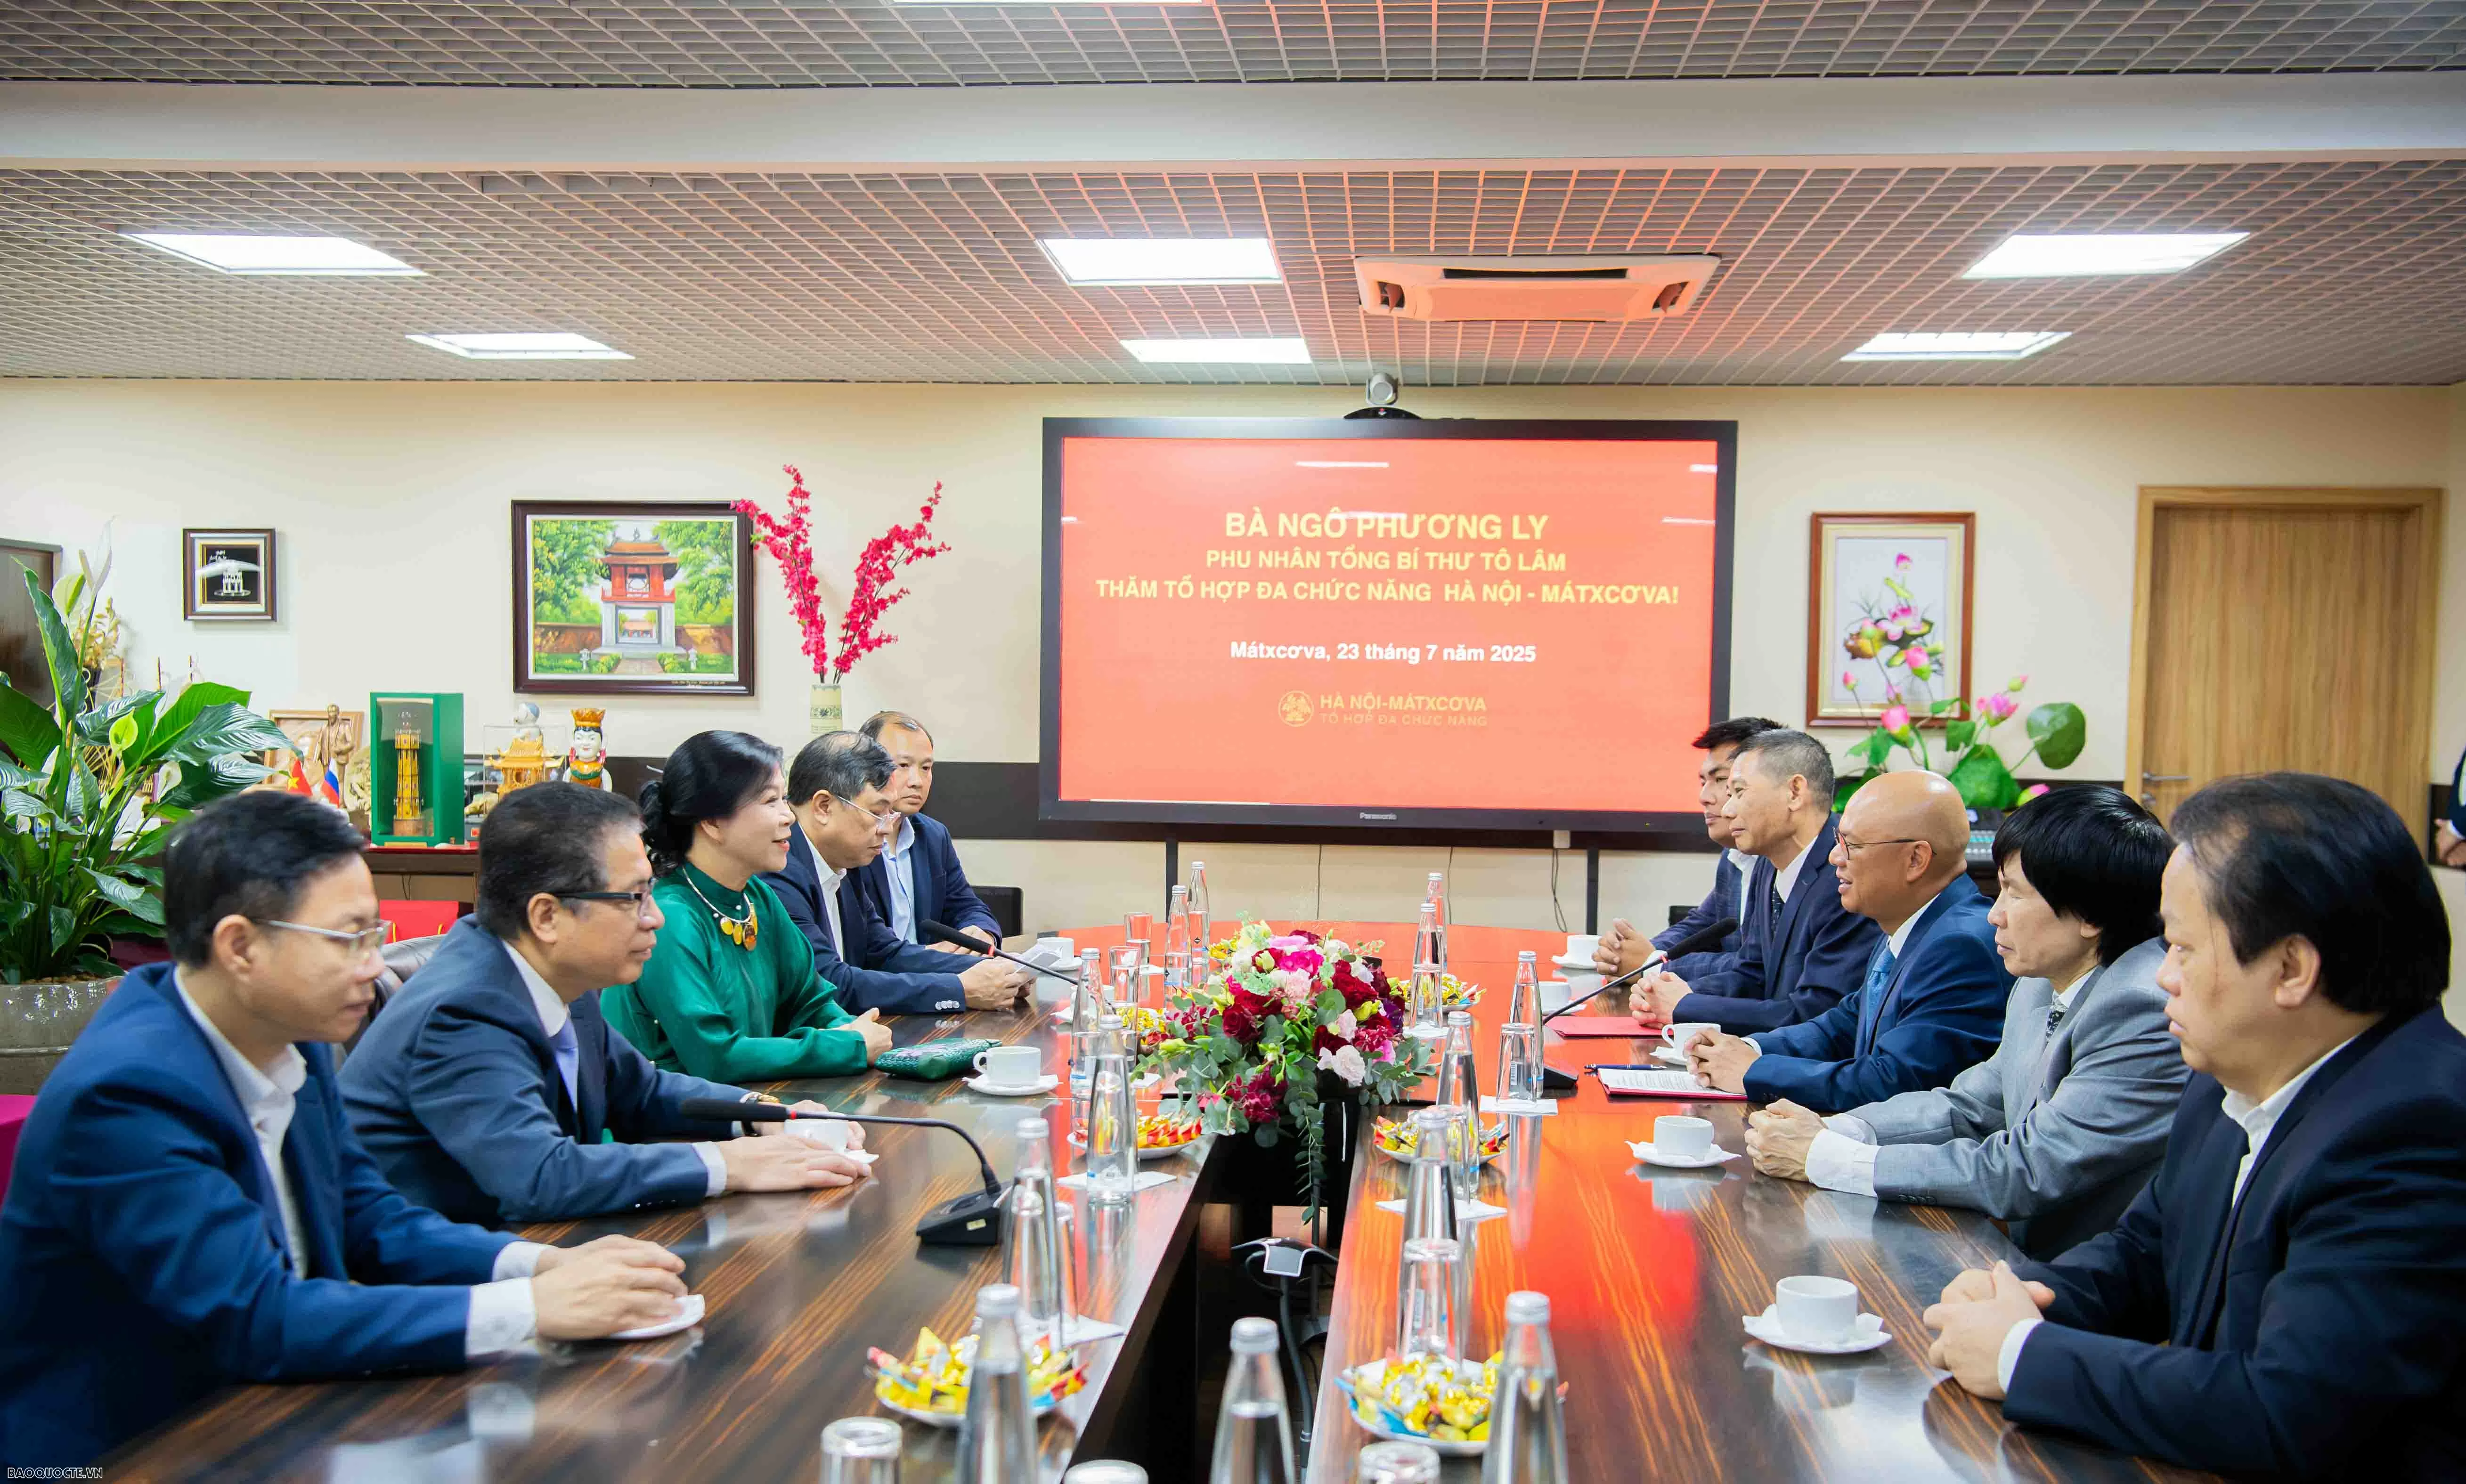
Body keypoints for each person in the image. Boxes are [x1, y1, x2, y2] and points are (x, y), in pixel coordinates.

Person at [0, 792, 692, 1467]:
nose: (373, 965)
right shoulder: (129, 1094)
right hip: (128, 1446)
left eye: (376, 936)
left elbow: (370, 1217)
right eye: (348, 939)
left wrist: (541, 1262)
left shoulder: (290, 1034)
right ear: (240, 946)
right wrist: (529, 1305)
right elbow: (259, 1316)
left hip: (277, 1409)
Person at [1923, 773, 2466, 1479]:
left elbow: (2285, 1410)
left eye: (2180, 947)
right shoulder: (2226, 1077)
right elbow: (2144, 1251)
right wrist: (2025, 1297)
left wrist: (2020, 1354)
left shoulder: (2412, 1128)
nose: (2159, 978)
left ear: (2290, 966)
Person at [341, 783, 871, 1226]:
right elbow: (541, 1176)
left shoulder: (556, 974)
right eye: (633, 897)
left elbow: (642, 1092)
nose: (655, 917)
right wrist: (729, 1164)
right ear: (547, 916)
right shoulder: (465, 1011)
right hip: (442, 1283)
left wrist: (763, 1116)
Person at [1745, 785, 2186, 1257]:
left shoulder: (2140, 1007)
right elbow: (1968, 1107)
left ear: (2091, 914)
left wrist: (1829, 1158)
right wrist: (1837, 1130)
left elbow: (2025, 1169)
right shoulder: (2040, 980)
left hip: (2092, 1283)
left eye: (2014, 895)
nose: (1993, 914)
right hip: (2022, 1258)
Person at [1686, 770, 2008, 1111]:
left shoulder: (1960, 945)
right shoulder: (1912, 923)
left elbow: (1894, 1081)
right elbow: (1840, 1026)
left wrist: (1754, 1071)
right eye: (1838, 841)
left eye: (1851, 845)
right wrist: (1749, 1048)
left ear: (1915, 859)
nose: (1834, 857)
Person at [600, 731, 896, 1081]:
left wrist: (853, 1028)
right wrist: (847, 1045)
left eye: (785, 800)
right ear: (711, 821)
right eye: (771, 801)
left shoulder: (755, 896)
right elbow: (717, 1057)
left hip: (747, 1109)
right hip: (667, 1128)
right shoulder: (671, 917)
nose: (788, 816)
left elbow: (810, 1002)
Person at [1629, 729, 1880, 1034]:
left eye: (1739, 791)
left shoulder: (1846, 871)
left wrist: (1686, 1006)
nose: (1727, 808)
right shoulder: (1767, 863)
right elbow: (1752, 974)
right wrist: (1670, 993)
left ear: (1794, 792)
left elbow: (1815, 1013)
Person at [764, 730, 1030, 1017]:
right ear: (824, 807)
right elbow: (830, 982)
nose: (887, 828)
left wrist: (999, 971)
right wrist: (959, 989)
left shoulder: (845, 860)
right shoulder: (779, 871)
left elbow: (885, 953)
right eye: (878, 813)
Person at [1592, 716, 1779, 981]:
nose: (1704, 797)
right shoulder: (1734, 855)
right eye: (1703, 781)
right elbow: (1701, 925)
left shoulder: (1784, 860)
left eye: (1722, 781)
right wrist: (1637, 954)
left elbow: (1758, 967)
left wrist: (1653, 965)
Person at [856, 710, 1006, 948]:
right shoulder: (851, 839)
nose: (917, 781)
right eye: (903, 765)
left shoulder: (934, 836)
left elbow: (965, 904)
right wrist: (932, 956)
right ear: (864, 767)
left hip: (929, 973)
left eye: (926, 768)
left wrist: (981, 931)